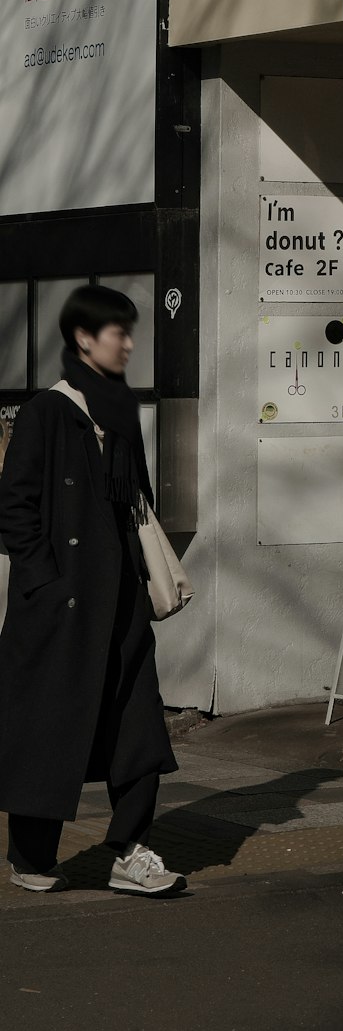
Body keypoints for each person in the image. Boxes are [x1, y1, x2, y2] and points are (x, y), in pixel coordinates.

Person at [0, 286, 182, 896]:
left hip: (121, 599)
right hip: (60, 605)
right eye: (117, 332)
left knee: (139, 728)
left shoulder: (119, 412)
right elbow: (15, 508)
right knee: (50, 729)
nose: (129, 344)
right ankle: (30, 856)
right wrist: (45, 582)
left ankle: (131, 850)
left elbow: (137, 505)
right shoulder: (44, 412)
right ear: (83, 338)